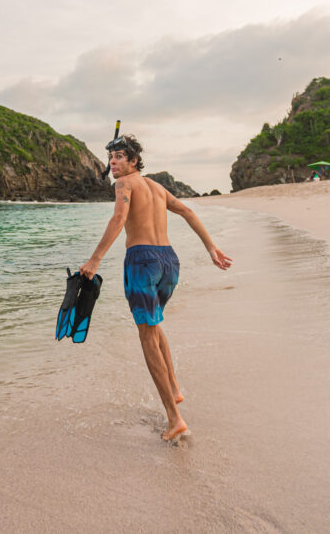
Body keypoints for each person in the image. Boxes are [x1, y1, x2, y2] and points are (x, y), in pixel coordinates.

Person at [79, 134, 233, 441]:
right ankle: (174, 388)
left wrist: (95, 260)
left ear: (134, 161)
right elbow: (187, 212)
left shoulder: (124, 184)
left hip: (141, 260)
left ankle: (174, 419)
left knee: (147, 335)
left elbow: (119, 218)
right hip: (169, 262)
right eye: (111, 157)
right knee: (154, 324)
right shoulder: (157, 187)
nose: (113, 162)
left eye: (120, 157)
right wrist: (211, 248)